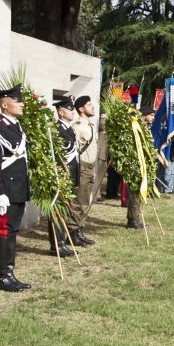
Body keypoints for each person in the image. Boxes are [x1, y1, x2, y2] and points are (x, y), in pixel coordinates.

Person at [0, 85, 32, 289]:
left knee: (12, 232)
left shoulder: (17, 127)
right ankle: (1, 276)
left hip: (18, 190)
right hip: (6, 191)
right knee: (3, 233)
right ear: (5, 105)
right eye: (17, 101)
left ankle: (9, 272)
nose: (22, 104)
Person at [47, 97, 78, 258]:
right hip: (61, 176)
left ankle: (62, 241)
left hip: (70, 175)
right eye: (69, 110)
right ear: (61, 112)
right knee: (58, 211)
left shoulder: (69, 129)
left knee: (65, 210)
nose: (73, 112)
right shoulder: (56, 129)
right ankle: (56, 244)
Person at [68, 95, 99, 245]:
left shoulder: (91, 125)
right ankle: (73, 233)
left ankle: (79, 229)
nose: (92, 107)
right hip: (81, 167)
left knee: (85, 201)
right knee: (78, 202)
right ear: (81, 109)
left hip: (90, 167)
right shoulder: (77, 127)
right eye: (88, 105)